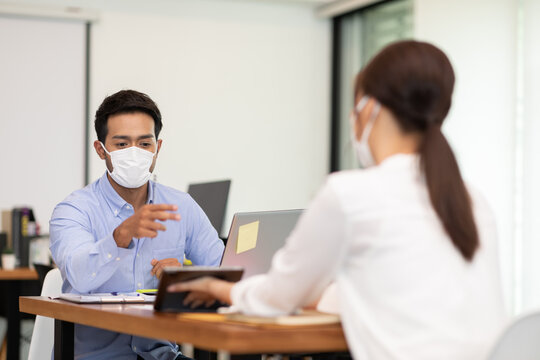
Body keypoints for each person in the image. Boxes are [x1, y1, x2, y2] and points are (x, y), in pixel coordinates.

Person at [168, 41, 507, 360]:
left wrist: (218, 288)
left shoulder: (351, 194)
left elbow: (276, 298)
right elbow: (406, 291)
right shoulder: (472, 199)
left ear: (368, 108)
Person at [50, 90, 224, 359]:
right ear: (101, 149)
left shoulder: (181, 206)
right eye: (122, 144)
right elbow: (79, 275)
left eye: (144, 144)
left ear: (158, 148)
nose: (135, 154)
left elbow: (224, 275)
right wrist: (119, 237)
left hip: (162, 354)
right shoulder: (74, 209)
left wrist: (186, 279)